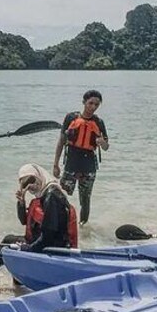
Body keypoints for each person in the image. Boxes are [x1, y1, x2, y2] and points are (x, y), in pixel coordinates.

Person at [0, 164, 78, 285]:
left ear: (40, 176)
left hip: (55, 247)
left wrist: (26, 248)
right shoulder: (43, 194)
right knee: (9, 240)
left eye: (33, 181)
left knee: (11, 246)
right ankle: (1, 282)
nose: (32, 187)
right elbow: (24, 221)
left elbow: (48, 237)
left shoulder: (51, 197)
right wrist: (21, 202)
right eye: (27, 185)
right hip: (44, 241)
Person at [52, 89, 109, 225]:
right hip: (71, 163)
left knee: (85, 200)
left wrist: (102, 143)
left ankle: (83, 228)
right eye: (90, 103)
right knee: (60, 196)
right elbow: (61, 142)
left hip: (88, 167)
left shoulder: (99, 122)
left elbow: (106, 147)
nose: (93, 107)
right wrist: (56, 164)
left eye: (96, 105)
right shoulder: (71, 118)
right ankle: (61, 224)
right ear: (84, 102)